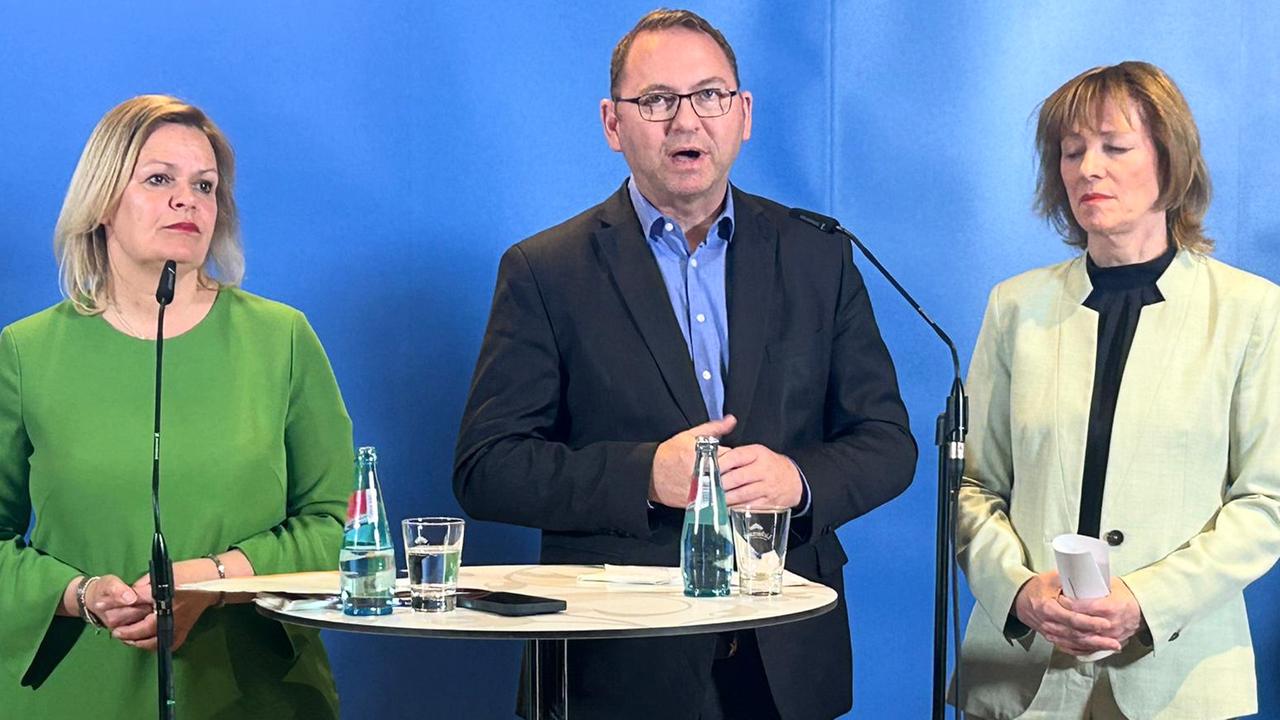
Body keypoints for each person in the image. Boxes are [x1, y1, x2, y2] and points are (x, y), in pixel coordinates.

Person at [454, 9, 916, 719]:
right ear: (613, 123)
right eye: (657, 101)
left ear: (743, 114)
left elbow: (887, 442)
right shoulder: (546, 271)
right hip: (617, 666)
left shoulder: (818, 256)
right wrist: (645, 477)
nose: (686, 121)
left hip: (785, 661)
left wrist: (798, 480)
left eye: (709, 95)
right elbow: (486, 467)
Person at [0, 95, 354, 718]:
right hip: (80, 692)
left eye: (205, 185)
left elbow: (342, 526)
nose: (187, 199)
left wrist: (216, 579)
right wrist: (78, 594)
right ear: (103, 199)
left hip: (257, 692)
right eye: (159, 179)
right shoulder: (25, 352)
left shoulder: (283, 339)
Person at [955, 61, 1280, 719]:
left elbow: (1266, 501)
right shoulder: (1015, 307)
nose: (1086, 169)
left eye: (1113, 146)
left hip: (1178, 677)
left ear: (1171, 159)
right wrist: (1021, 592)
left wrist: (1144, 601)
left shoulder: (1252, 310)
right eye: (1071, 152)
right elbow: (973, 488)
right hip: (1021, 675)